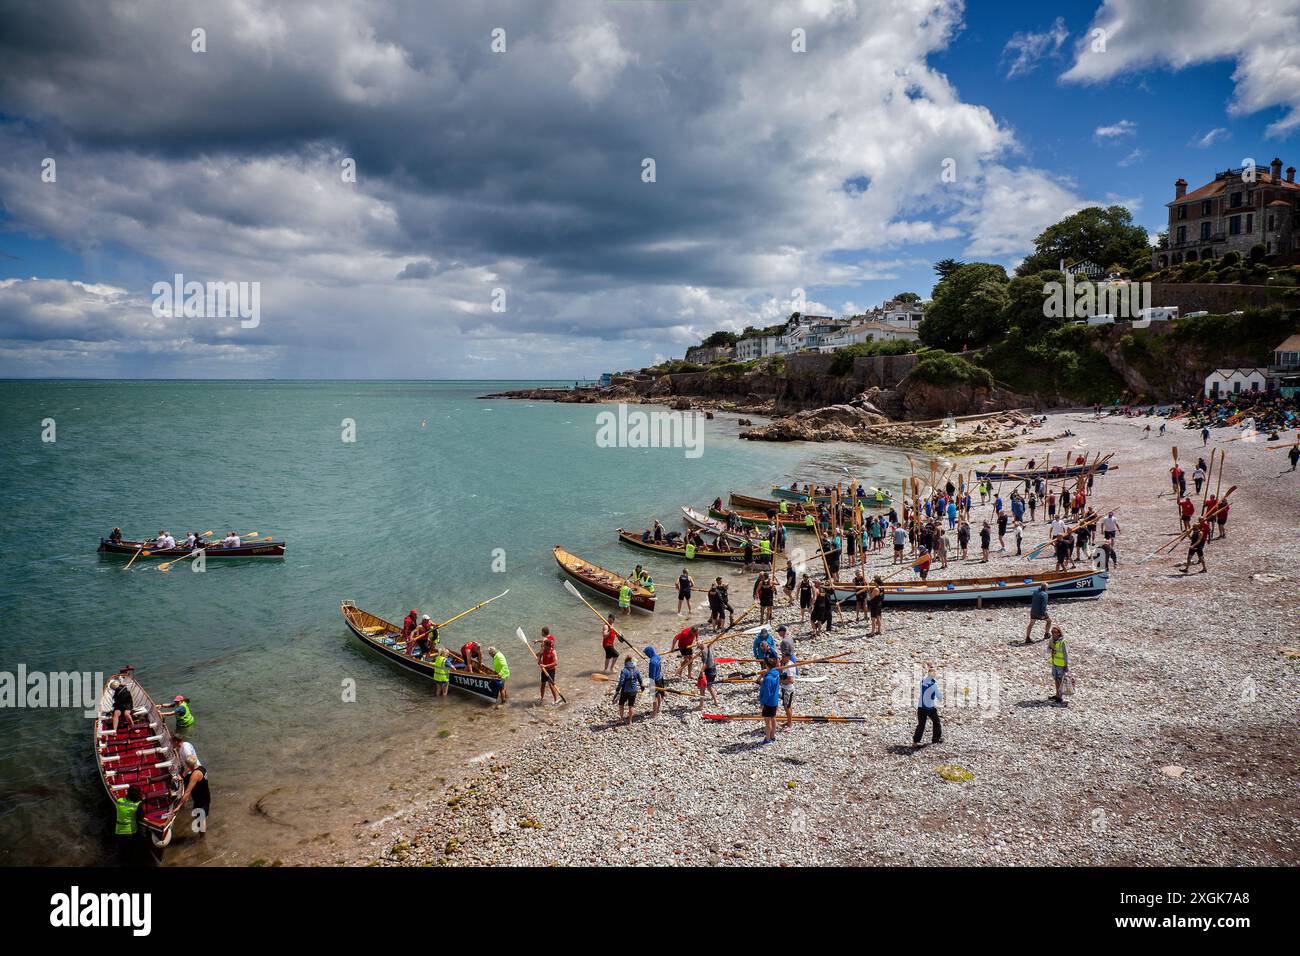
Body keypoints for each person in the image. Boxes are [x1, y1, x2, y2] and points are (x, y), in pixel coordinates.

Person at [175, 752, 210, 834]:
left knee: (201, 819)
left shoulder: (195, 774)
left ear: (189, 765)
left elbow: (187, 792)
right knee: (199, 817)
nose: (186, 766)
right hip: (204, 796)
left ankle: (202, 838)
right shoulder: (201, 767)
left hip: (201, 800)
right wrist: (182, 777)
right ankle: (202, 835)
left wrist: (178, 806)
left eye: (186, 764)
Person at [912, 664, 942, 746]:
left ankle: (915, 742)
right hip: (929, 707)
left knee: (921, 724)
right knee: (936, 722)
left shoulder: (922, 681)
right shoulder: (933, 685)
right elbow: (939, 697)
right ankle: (936, 739)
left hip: (920, 706)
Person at [615, 655, 644, 726]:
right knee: (631, 706)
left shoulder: (624, 670)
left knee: (621, 704)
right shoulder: (636, 670)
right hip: (633, 691)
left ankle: (622, 719)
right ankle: (630, 721)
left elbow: (621, 682)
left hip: (625, 691)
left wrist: (618, 689)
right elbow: (640, 680)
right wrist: (642, 687)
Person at [759, 657, 781, 743]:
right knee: (773, 718)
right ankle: (773, 736)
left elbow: (767, 692)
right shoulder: (776, 674)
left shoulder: (768, 678)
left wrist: (762, 702)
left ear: (767, 665)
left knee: (767, 722)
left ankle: (767, 738)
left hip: (768, 702)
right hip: (774, 700)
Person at [1048, 626, 1070, 706]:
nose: (1054, 634)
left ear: (1059, 633)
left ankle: (1060, 697)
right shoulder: (1052, 640)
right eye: (1053, 632)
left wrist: (1066, 665)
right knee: (1056, 679)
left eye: (1056, 632)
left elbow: (1066, 654)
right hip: (1054, 663)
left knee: (1060, 680)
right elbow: (1048, 649)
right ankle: (1057, 694)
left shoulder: (1062, 642)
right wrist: (1051, 650)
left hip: (1061, 665)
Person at [537, 632, 559, 704]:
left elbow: (556, 663)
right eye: (544, 646)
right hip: (544, 670)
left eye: (545, 646)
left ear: (549, 646)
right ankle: (541, 698)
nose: (544, 647)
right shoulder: (543, 650)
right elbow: (538, 655)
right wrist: (539, 661)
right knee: (543, 684)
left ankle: (556, 700)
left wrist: (545, 666)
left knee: (551, 685)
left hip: (551, 670)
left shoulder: (553, 652)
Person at [696, 642, 719, 711]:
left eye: (699, 647)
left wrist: (701, 672)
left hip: (709, 671)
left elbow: (705, 664)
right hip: (714, 669)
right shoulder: (709, 647)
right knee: (709, 686)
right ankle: (715, 701)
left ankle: (701, 706)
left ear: (701, 645)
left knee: (702, 688)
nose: (699, 649)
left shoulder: (703, 652)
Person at [779, 650, 797, 731]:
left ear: (788, 657)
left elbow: (791, 680)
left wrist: (780, 681)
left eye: (784, 657)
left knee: (787, 706)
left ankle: (790, 724)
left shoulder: (789, 666)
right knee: (786, 706)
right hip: (785, 688)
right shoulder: (785, 664)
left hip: (788, 689)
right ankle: (788, 721)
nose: (782, 658)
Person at [645, 645, 665, 717]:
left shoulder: (652, 662)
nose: (646, 655)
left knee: (654, 698)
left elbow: (652, 675)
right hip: (660, 678)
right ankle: (658, 709)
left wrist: (651, 684)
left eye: (646, 654)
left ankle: (654, 714)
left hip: (655, 680)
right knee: (659, 694)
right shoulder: (658, 657)